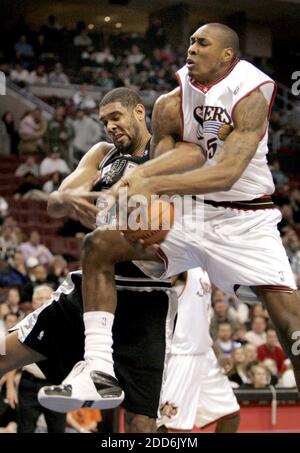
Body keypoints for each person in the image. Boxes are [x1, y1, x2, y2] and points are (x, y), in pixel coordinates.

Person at [39, 23, 300, 411]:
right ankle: (97, 369)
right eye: (190, 41)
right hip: (190, 214)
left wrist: (147, 181)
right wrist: (140, 193)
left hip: (245, 218)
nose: (191, 48)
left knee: (290, 327)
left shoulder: (250, 95)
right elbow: (163, 167)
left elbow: (225, 173)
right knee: (98, 246)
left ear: (227, 55)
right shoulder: (168, 105)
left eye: (202, 43)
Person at [157, 268, 240, 433]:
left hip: (205, 354)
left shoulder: (204, 266)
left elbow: (202, 321)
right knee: (170, 426)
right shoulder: (180, 264)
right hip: (179, 354)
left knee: (231, 415)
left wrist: (218, 352)